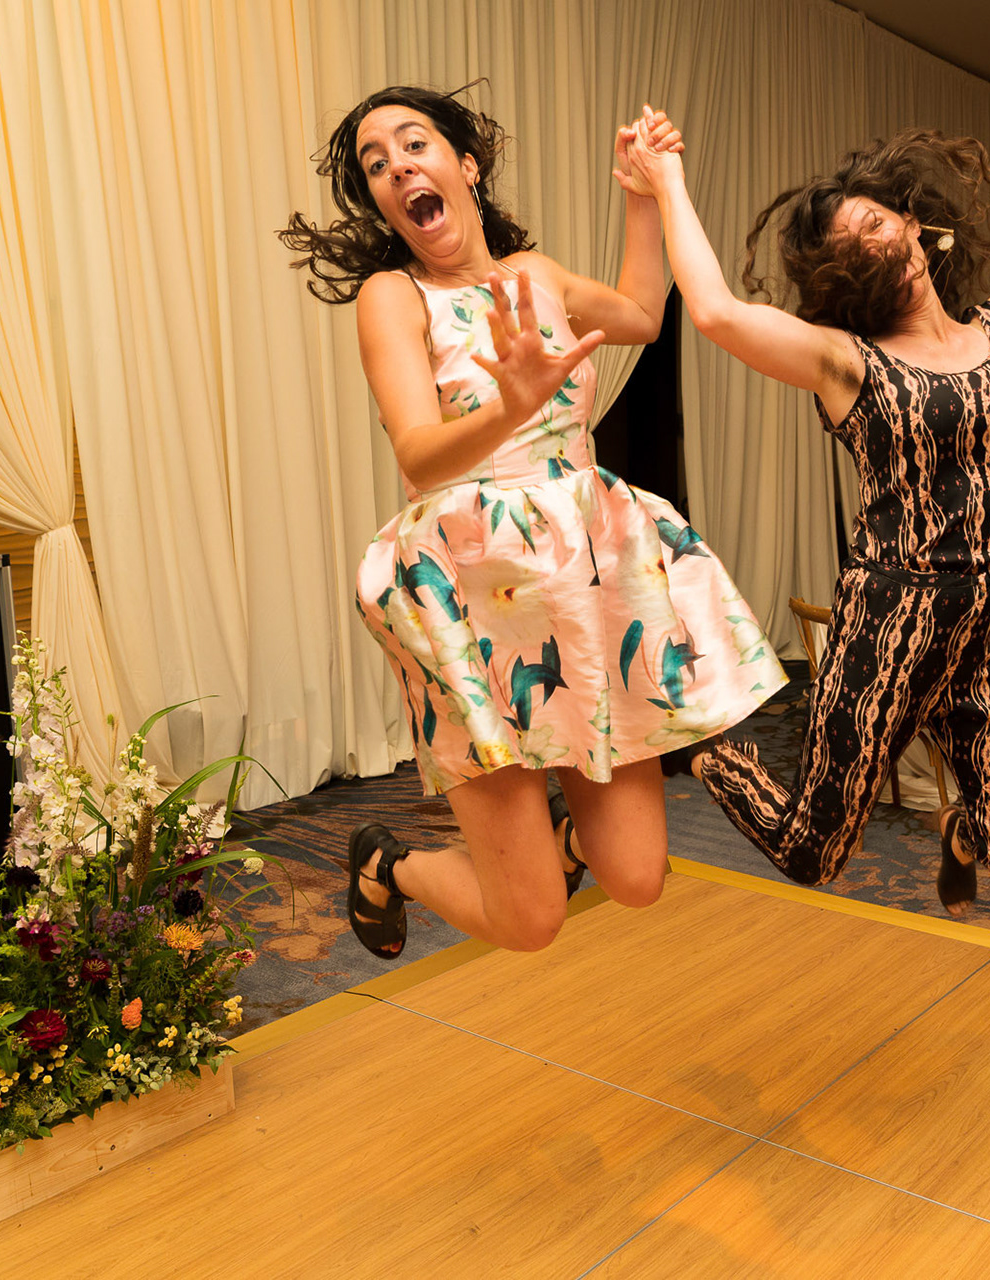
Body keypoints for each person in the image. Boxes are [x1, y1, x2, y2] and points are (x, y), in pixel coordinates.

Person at [279, 85, 784, 957]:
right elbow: (419, 457)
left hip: (583, 574)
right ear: (382, 202)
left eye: (414, 146)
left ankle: (548, 846)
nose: (398, 167)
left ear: (465, 167)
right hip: (468, 591)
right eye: (376, 165)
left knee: (636, 877)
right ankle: (388, 861)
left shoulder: (539, 276)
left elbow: (642, 312)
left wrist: (639, 195)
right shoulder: (393, 298)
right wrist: (507, 405)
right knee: (531, 921)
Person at [621, 18, 990, 913]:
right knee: (813, 850)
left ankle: (961, 825)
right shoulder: (850, 364)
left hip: (989, 609)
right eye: (854, 245)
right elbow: (720, 312)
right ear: (851, 275)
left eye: (880, 223)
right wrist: (668, 180)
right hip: (892, 611)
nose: (876, 242)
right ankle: (704, 754)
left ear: (919, 230)